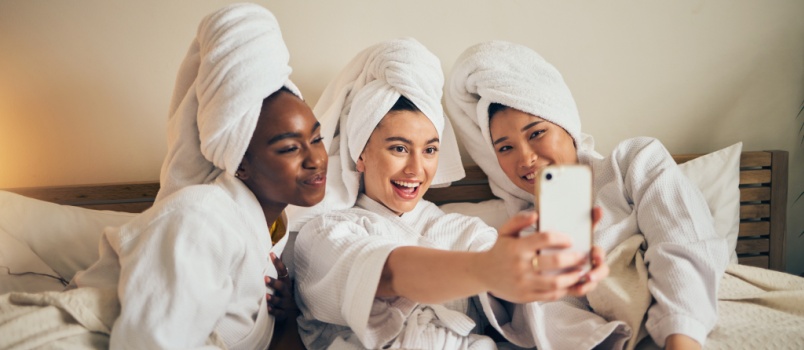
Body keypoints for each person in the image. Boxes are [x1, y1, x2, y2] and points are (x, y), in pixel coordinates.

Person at [0, 4, 325, 349]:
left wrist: (286, 318)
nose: (315, 159)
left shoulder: (268, 241)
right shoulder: (201, 219)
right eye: (289, 148)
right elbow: (149, 342)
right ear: (240, 164)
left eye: (316, 138)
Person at [290, 38, 623, 350]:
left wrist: (548, 275)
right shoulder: (324, 234)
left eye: (430, 150)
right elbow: (385, 272)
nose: (416, 169)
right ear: (360, 153)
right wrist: (484, 270)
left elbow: (519, 293)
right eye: (399, 148)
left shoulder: (463, 231)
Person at [445, 40, 731, 350]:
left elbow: (681, 238)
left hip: (703, 319)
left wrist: (681, 339)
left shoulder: (634, 162)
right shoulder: (530, 236)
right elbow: (556, 321)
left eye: (536, 133)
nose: (525, 158)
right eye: (505, 148)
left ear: (567, 126)